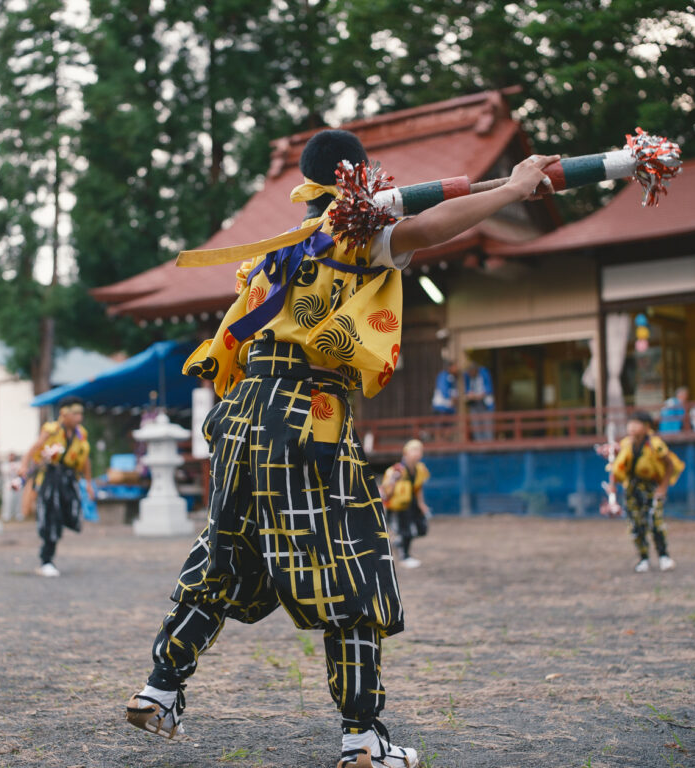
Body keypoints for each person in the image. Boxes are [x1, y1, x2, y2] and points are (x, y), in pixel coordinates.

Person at [123, 128, 558, 766]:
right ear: (357, 174)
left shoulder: (283, 246)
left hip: (242, 420)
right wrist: (516, 187)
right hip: (309, 420)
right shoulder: (355, 230)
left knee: (223, 561)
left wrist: (513, 183)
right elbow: (431, 228)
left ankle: (159, 688)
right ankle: (362, 738)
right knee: (354, 570)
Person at [17, 396, 92, 576]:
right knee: (51, 517)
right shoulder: (52, 430)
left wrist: (88, 483)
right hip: (51, 477)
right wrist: (24, 465)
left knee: (72, 515)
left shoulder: (81, 434)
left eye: (80, 413)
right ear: (64, 414)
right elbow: (35, 447)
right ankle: (46, 559)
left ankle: (55, 534)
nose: (79, 418)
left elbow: (85, 460)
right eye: (75, 414)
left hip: (69, 479)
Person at [606, 411, 684, 573]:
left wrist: (663, 487)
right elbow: (616, 467)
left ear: (647, 427)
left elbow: (669, 465)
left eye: (637, 424)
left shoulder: (655, 444)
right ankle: (643, 558)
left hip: (651, 487)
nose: (632, 427)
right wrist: (613, 486)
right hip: (632, 488)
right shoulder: (625, 444)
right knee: (636, 523)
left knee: (655, 521)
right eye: (630, 423)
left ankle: (664, 556)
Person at [381, 439, 431, 568]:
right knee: (404, 531)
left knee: (421, 528)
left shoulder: (419, 469)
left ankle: (399, 545)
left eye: (419, 450)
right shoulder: (397, 470)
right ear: (406, 452)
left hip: (412, 503)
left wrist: (421, 504)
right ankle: (404, 556)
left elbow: (418, 487)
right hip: (398, 505)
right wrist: (392, 483)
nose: (417, 453)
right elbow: (386, 489)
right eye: (414, 450)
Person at [462, 355, 495, 441]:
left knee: (487, 425)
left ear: (475, 370)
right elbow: (466, 389)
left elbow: (488, 389)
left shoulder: (484, 373)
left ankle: (488, 445)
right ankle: (479, 445)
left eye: (471, 372)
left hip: (485, 404)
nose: (470, 374)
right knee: (476, 425)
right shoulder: (467, 376)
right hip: (474, 404)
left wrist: (477, 396)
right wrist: (469, 395)